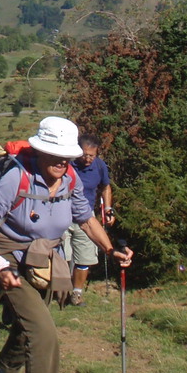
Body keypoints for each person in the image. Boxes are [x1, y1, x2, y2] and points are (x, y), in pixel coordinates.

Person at [0, 116, 133, 373]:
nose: (62, 162)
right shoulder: (16, 177)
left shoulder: (70, 178)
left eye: (66, 156)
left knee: (26, 329)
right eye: (55, 155)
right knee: (44, 332)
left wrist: (110, 250)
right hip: (11, 261)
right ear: (40, 151)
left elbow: (86, 218)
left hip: (44, 261)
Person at [62, 131, 114, 306]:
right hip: (63, 214)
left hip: (86, 216)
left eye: (92, 155)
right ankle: (60, 291)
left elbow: (106, 187)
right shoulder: (67, 164)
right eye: (85, 155)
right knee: (63, 256)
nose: (88, 159)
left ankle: (76, 293)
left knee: (84, 257)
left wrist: (108, 209)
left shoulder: (99, 166)